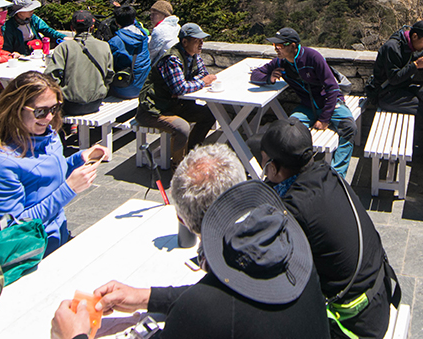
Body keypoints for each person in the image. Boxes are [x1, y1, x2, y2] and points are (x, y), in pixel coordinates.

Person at [50, 145, 331, 339]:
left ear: (182, 221)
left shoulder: (203, 310)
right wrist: (146, 297)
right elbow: (228, 295)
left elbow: (210, 305)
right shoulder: (293, 250)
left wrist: (75, 334)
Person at [254, 119, 399, 339]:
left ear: (273, 168)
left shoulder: (294, 209)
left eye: (264, 163)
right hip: (379, 295)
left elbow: (271, 269)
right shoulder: (326, 173)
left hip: (356, 325)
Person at [0, 71, 108, 257]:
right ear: (16, 109)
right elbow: (13, 228)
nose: (49, 117)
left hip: (59, 238)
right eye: (40, 111)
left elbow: (48, 176)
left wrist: (80, 158)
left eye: (55, 108)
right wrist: (69, 189)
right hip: (31, 255)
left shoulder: (48, 136)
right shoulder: (0, 165)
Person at [250, 27, 356, 177]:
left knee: (349, 127)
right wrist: (269, 78)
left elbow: (332, 87)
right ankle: (296, 172)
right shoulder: (281, 62)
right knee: (289, 130)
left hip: (328, 102)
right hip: (307, 106)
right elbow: (255, 74)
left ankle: (337, 175)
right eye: (274, 45)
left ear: (292, 45)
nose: (276, 49)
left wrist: (324, 118)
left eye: (279, 46)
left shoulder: (313, 57)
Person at [135, 23, 218, 165]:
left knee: (209, 114)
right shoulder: (172, 59)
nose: (201, 43)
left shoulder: (193, 56)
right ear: (185, 42)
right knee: (182, 128)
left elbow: (203, 73)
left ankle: (192, 155)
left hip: (175, 105)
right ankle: (179, 167)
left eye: (202, 40)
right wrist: (202, 82)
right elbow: (180, 89)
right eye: (197, 40)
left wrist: (189, 83)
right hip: (154, 110)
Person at [368, 21, 423, 159]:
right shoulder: (392, 48)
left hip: (403, 87)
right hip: (387, 94)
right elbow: (393, 78)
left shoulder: (413, 44)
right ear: (415, 36)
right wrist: (415, 66)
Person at [44, 10, 114, 115]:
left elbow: (51, 76)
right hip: (95, 102)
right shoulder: (104, 46)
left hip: (70, 104)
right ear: (92, 27)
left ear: (72, 28)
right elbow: (109, 74)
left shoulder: (64, 47)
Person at [107, 5, 152, 99]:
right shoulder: (143, 35)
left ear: (116, 22)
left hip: (123, 89)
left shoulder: (115, 41)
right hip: (144, 86)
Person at [147, 0, 181, 65]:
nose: (151, 16)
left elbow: (151, 53)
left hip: (165, 65)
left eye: (154, 14)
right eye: (151, 14)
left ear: (165, 15)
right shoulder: (176, 26)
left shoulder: (159, 29)